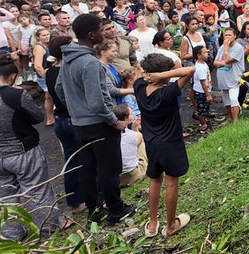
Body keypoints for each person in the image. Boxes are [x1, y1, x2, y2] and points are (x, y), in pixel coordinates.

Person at [0, 52, 66, 238]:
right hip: (23, 151)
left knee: (4, 197)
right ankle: (47, 229)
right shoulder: (16, 95)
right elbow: (37, 117)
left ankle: (11, 236)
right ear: (12, 77)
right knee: (37, 190)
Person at [56, 13, 134, 224]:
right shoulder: (90, 63)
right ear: (91, 35)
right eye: (101, 29)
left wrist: (75, 107)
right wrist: (113, 120)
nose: (104, 33)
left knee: (87, 169)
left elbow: (59, 89)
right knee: (109, 169)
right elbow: (97, 101)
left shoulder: (68, 59)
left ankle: (94, 210)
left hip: (80, 124)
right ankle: (116, 209)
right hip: (99, 124)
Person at [135, 53, 195, 238]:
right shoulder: (168, 91)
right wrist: (161, 76)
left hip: (151, 143)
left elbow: (138, 66)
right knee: (171, 183)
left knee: (155, 180)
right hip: (170, 143)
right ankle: (170, 226)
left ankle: (153, 224)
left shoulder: (139, 86)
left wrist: (152, 74)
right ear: (162, 74)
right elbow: (190, 70)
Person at [45, 35, 84, 214]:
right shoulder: (70, 70)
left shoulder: (50, 72)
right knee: (90, 158)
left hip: (60, 119)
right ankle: (96, 196)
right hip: (75, 118)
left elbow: (51, 96)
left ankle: (75, 202)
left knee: (71, 161)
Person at [214, 28, 245, 122]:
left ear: (235, 36)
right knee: (226, 101)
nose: (227, 37)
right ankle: (230, 118)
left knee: (233, 99)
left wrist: (226, 48)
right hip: (223, 78)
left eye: (229, 35)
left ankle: (236, 121)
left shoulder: (238, 48)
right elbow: (215, 62)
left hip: (234, 78)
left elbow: (228, 60)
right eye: (225, 35)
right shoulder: (221, 47)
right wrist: (223, 64)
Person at [112, 105, 147, 188]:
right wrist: (135, 128)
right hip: (134, 175)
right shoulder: (134, 135)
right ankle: (145, 165)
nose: (133, 114)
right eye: (131, 113)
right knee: (141, 142)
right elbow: (136, 140)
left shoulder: (110, 136)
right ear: (126, 118)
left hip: (118, 178)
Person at [32, 27, 55, 126]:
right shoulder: (39, 48)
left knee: (49, 97)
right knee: (50, 96)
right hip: (43, 76)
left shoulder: (47, 45)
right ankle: (50, 118)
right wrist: (46, 77)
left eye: (47, 34)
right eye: (43, 35)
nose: (46, 37)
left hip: (49, 74)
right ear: (38, 37)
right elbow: (37, 65)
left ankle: (51, 118)